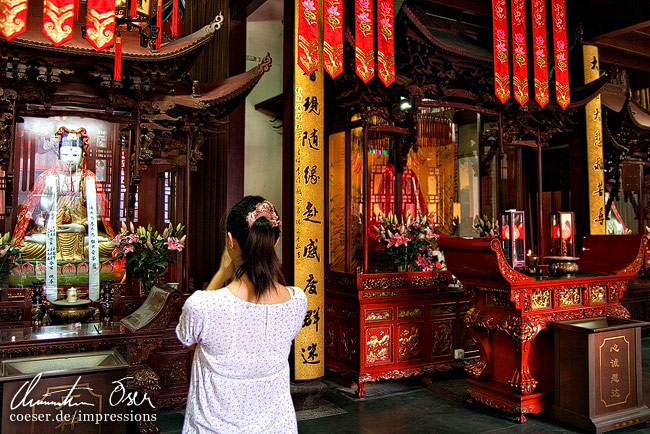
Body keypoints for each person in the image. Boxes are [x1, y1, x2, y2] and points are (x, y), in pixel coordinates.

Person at [176, 196, 307, 434]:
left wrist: (221, 273)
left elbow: (186, 340)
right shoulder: (296, 301)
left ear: (230, 241)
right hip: (278, 427)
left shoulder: (203, 305)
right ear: (274, 242)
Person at [12, 127, 115, 261]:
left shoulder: (89, 178)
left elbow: (100, 214)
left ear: (83, 155)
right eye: (65, 155)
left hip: (82, 231)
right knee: (24, 247)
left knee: (110, 246)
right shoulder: (48, 176)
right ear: (59, 154)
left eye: (75, 155)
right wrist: (47, 199)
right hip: (52, 230)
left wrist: (82, 225)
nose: (70, 159)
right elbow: (38, 208)